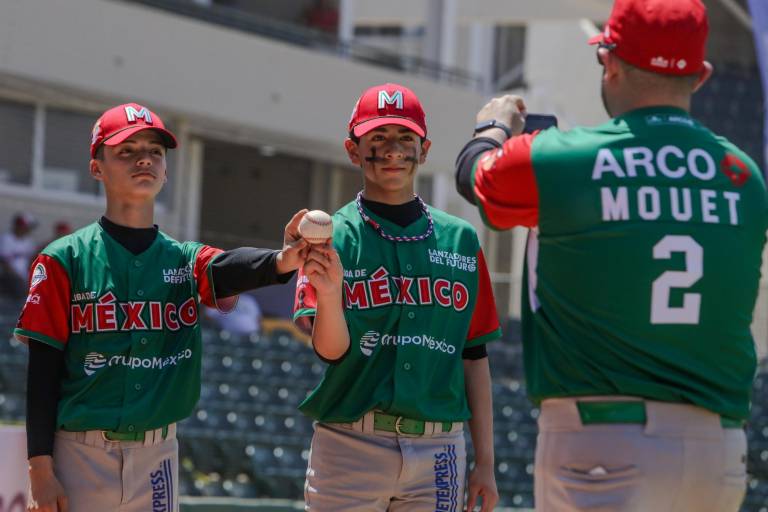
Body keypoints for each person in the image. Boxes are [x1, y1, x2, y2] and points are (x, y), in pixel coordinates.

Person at [454, 0, 767, 510]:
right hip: (719, 452)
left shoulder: (564, 158)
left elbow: (475, 176)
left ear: (612, 61)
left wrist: (493, 126)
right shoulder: (744, 177)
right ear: (701, 75)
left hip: (603, 440)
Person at [15, 103, 309, 512]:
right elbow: (42, 374)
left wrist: (281, 261)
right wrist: (40, 471)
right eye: (126, 150)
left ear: (166, 170)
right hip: (80, 453)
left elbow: (227, 269)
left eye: (155, 151)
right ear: (97, 168)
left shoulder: (184, 259)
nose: (144, 159)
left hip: (157, 454)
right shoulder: (64, 259)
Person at [294, 83, 501, 511]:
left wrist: (487, 462)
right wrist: (330, 294)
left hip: (440, 449)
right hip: (351, 442)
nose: (392, 150)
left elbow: (474, 355)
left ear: (424, 150)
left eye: (405, 138)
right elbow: (330, 351)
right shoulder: (334, 236)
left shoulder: (460, 240)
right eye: (378, 139)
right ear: (354, 150)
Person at [0, 213, 38, 298]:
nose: (28, 230)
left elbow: (32, 260)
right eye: (27, 227)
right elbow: (4, 262)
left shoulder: (28, 241)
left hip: (23, 277)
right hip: (9, 276)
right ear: (19, 226)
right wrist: (18, 277)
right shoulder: (6, 239)